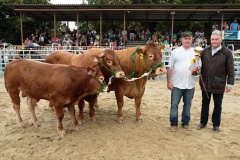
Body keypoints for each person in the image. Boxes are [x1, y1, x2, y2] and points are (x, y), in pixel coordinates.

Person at [196, 30, 235, 132]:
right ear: (210, 40)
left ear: (221, 40)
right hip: (205, 82)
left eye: (216, 39)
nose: (214, 41)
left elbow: (230, 69)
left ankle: (216, 124)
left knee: (217, 105)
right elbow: (197, 63)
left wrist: (230, 83)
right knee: (205, 103)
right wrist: (195, 68)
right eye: (212, 39)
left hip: (219, 83)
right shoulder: (205, 51)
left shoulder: (227, 53)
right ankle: (203, 122)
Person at [167, 31, 197, 132]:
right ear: (182, 40)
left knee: (188, 104)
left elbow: (197, 67)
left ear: (192, 40)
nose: (187, 40)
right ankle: (173, 123)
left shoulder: (195, 53)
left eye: (189, 38)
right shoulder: (175, 52)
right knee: (174, 104)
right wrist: (169, 81)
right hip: (177, 83)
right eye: (185, 38)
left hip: (190, 83)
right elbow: (170, 68)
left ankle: (185, 122)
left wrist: (196, 70)